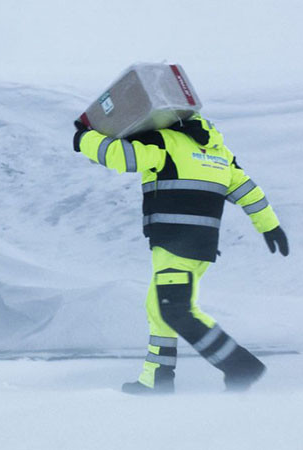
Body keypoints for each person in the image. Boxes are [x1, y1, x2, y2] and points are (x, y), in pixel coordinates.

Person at [72, 114, 289, 394]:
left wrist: (84, 138)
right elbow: (249, 191)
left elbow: (122, 157)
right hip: (200, 245)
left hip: (175, 243)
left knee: (175, 310)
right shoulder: (219, 153)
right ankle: (157, 379)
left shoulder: (165, 141)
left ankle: (239, 365)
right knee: (158, 307)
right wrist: (270, 226)